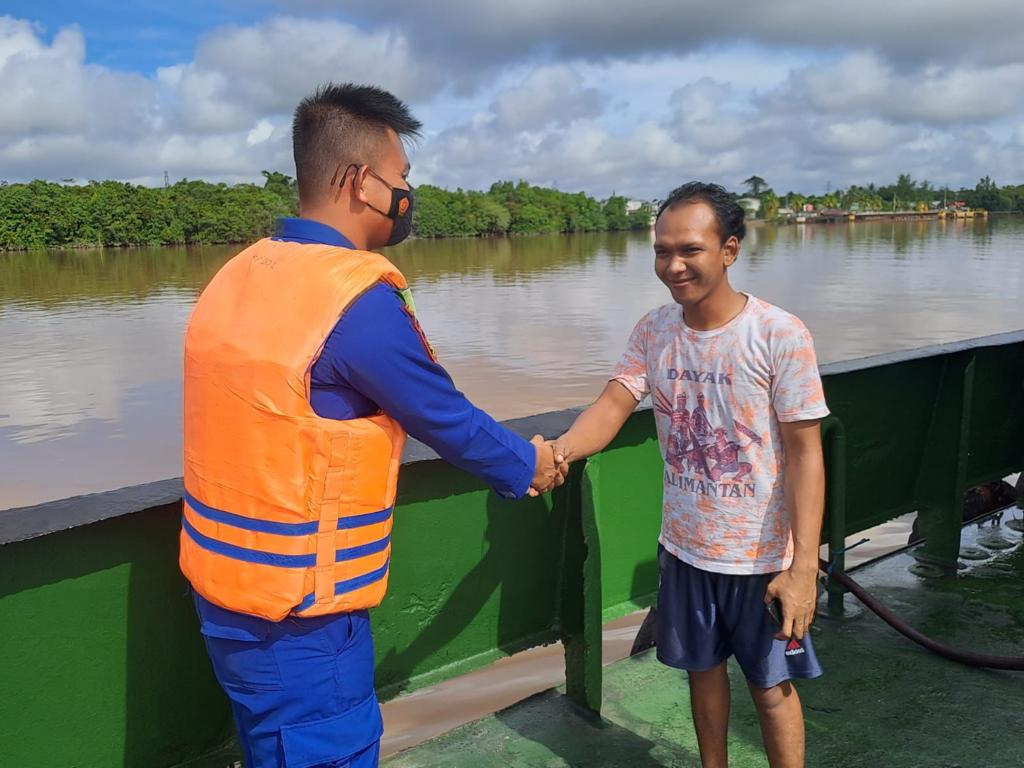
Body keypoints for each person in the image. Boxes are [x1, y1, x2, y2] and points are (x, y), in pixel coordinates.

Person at [180, 83, 563, 768]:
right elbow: (442, 413)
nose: (408, 195)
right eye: (403, 179)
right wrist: (527, 465)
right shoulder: (349, 298)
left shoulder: (236, 274)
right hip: (303, 621)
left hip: (224, 593)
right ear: (360, 183)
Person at [551, 182, 828, 768]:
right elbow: (611, 407)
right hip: (686, 548)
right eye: (661, 251)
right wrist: (556, 453)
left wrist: (803, 567)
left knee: (771, 689)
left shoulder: (779, 334)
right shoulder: (655, 332)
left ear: (729, 250)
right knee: (702, 677)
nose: (673, 266)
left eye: (690, 250)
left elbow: (806, 454)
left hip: (761, 559)